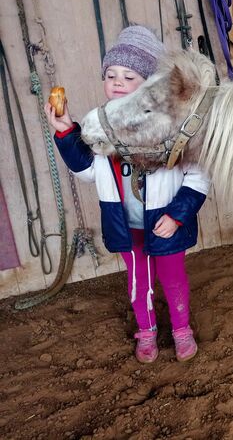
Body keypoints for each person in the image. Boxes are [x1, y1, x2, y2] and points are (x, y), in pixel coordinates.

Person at [45, 25, 211, 364]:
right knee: (139, 282)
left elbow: (198, 176)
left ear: (148, 84)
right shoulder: (101, 126)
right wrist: (65, 133)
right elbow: (88, 169)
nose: (118, 82)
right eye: (111, 75)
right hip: (128, 226)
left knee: (173, 278)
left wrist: (178, 214)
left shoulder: (170, 125)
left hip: (165, 224)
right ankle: (146, 332)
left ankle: (181, 329)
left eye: (129, 76)